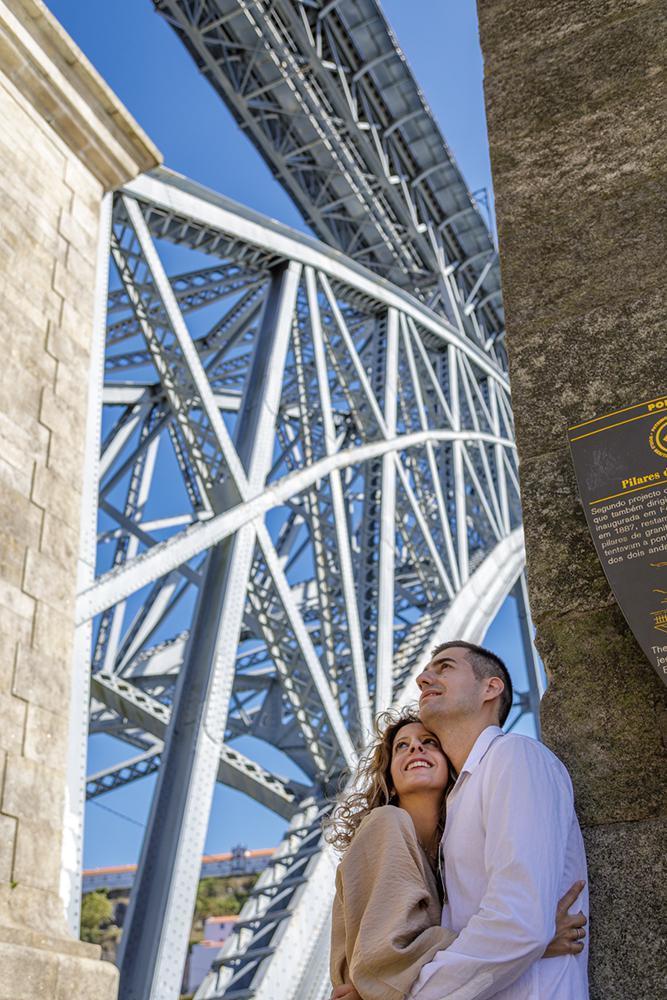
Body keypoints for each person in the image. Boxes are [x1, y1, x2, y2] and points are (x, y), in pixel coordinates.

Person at [328, 701, 587, 1000]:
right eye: (402, 746)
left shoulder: (441, 855)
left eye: (429, 742)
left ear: (450, 768)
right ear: (391, 783)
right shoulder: (387, 823)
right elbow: (388, 960)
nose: (415, 749)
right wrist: (529, 939)